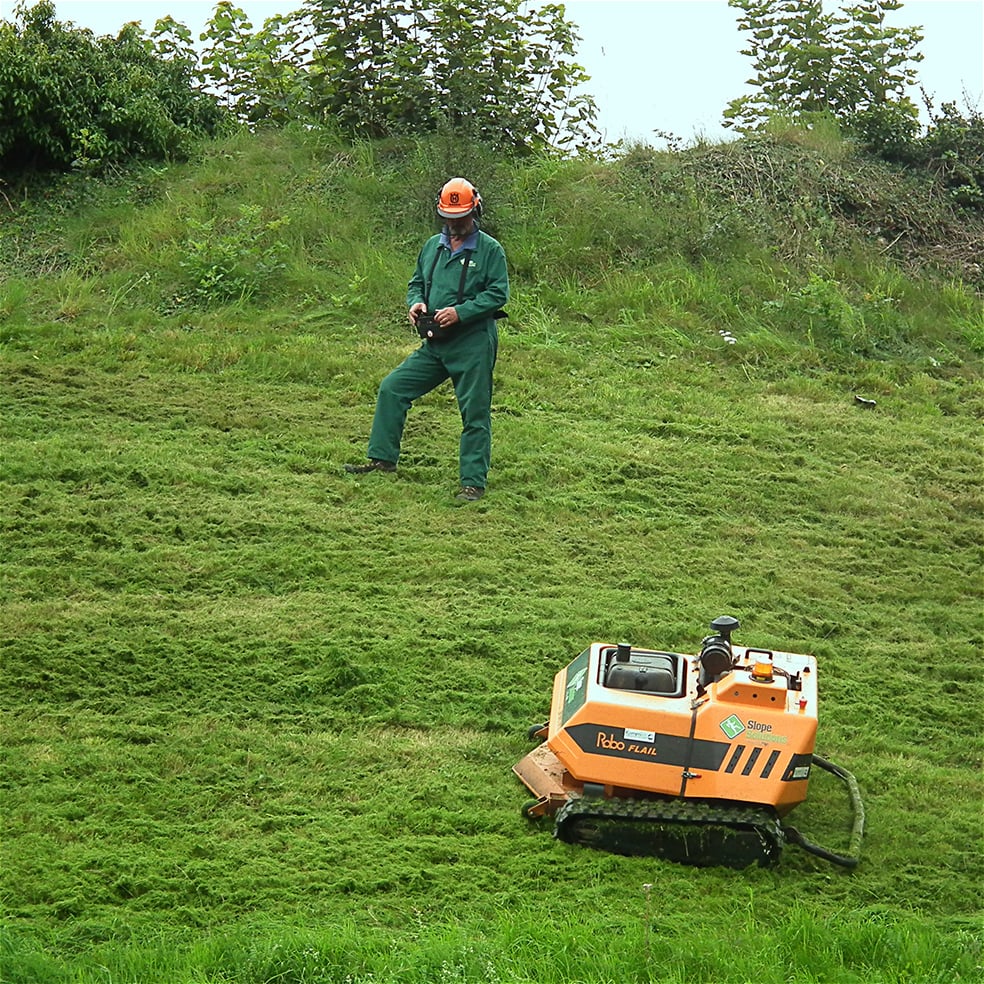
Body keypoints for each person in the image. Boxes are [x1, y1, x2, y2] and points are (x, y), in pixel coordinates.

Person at [345, 177, 509, 503]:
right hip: (435, 343)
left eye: (460, 218)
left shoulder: (491, 250)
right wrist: (416, 303)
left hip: (473, 342)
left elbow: (498, 294)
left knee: (474, 414)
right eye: (448, 218)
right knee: (393, 388)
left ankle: (472, 483)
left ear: (475, 211)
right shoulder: (432, 246)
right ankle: (382, 460)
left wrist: (460, 312)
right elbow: (416, 282)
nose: (454, 225)